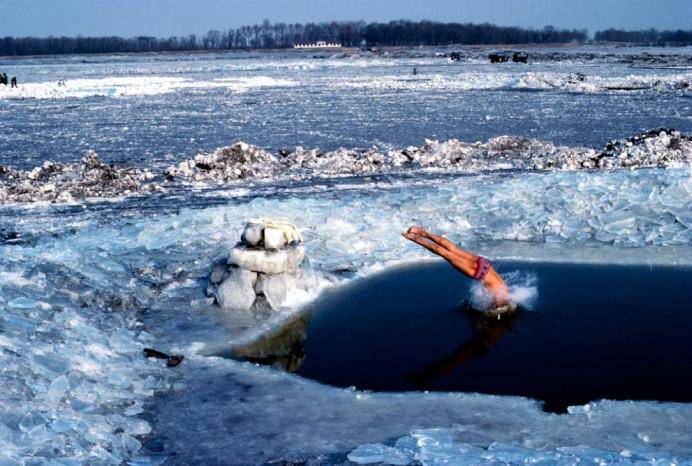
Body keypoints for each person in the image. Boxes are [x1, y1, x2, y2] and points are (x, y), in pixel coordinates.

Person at [402, 226, 511, 310]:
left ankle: (423, 232)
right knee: (447, 255)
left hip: (485, 264)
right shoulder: (500, 301)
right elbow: (497, 314)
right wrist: (498, 317)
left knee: (452, 248)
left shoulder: (505, 290)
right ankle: (415, 238)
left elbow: (488, 289)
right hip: (478, 272)